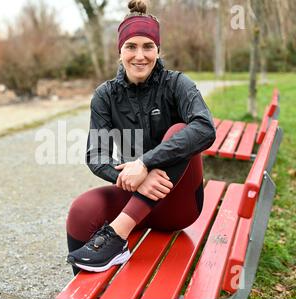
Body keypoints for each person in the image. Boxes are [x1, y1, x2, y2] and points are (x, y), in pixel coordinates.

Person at [66, 0, 216, 274]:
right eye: (131, 47)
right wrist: (130, 178)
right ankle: (85, 294)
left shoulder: (177, 84)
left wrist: (145, 164)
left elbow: (205, 128)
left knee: (180, 132)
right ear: (120, 51)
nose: (140, 55)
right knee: (81, 209)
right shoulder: (105, 95)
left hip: (178, 205)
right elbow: (96, 155)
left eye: (148, 47)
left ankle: (117, 235)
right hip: (135, 194)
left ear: (158, 51)